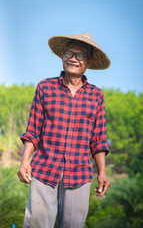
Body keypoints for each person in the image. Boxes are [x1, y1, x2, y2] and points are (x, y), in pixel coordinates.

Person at [18, 32, 111, 228]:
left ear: (88, 61)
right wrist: (25, 160)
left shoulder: (96, 96)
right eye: (69, 53)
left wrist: (101, 172)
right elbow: (33, 131)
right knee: (36, 224)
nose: (73, 59)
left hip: (79, 173)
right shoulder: (45, 87)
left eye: (80, 55)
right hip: (44, 169)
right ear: (62, 56)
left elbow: (98, 140)